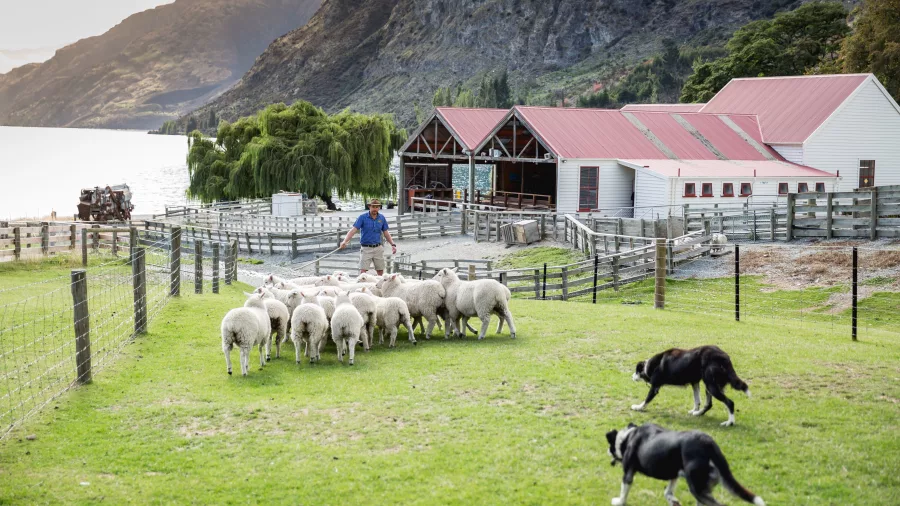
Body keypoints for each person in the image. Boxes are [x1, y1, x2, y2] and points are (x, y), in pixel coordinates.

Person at [339, 199, 397, 275]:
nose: (375, 209)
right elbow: (353, 230)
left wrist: (392, 244)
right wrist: (345, 241)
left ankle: (379, 286)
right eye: (373, 207)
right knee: (363, 271)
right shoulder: (362, 217)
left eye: (377, 207)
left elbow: (386, 233)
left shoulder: (382, 218)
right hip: (366, 248)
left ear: (379, 207)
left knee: (380, 271)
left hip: (378, 248)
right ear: (369, 206)